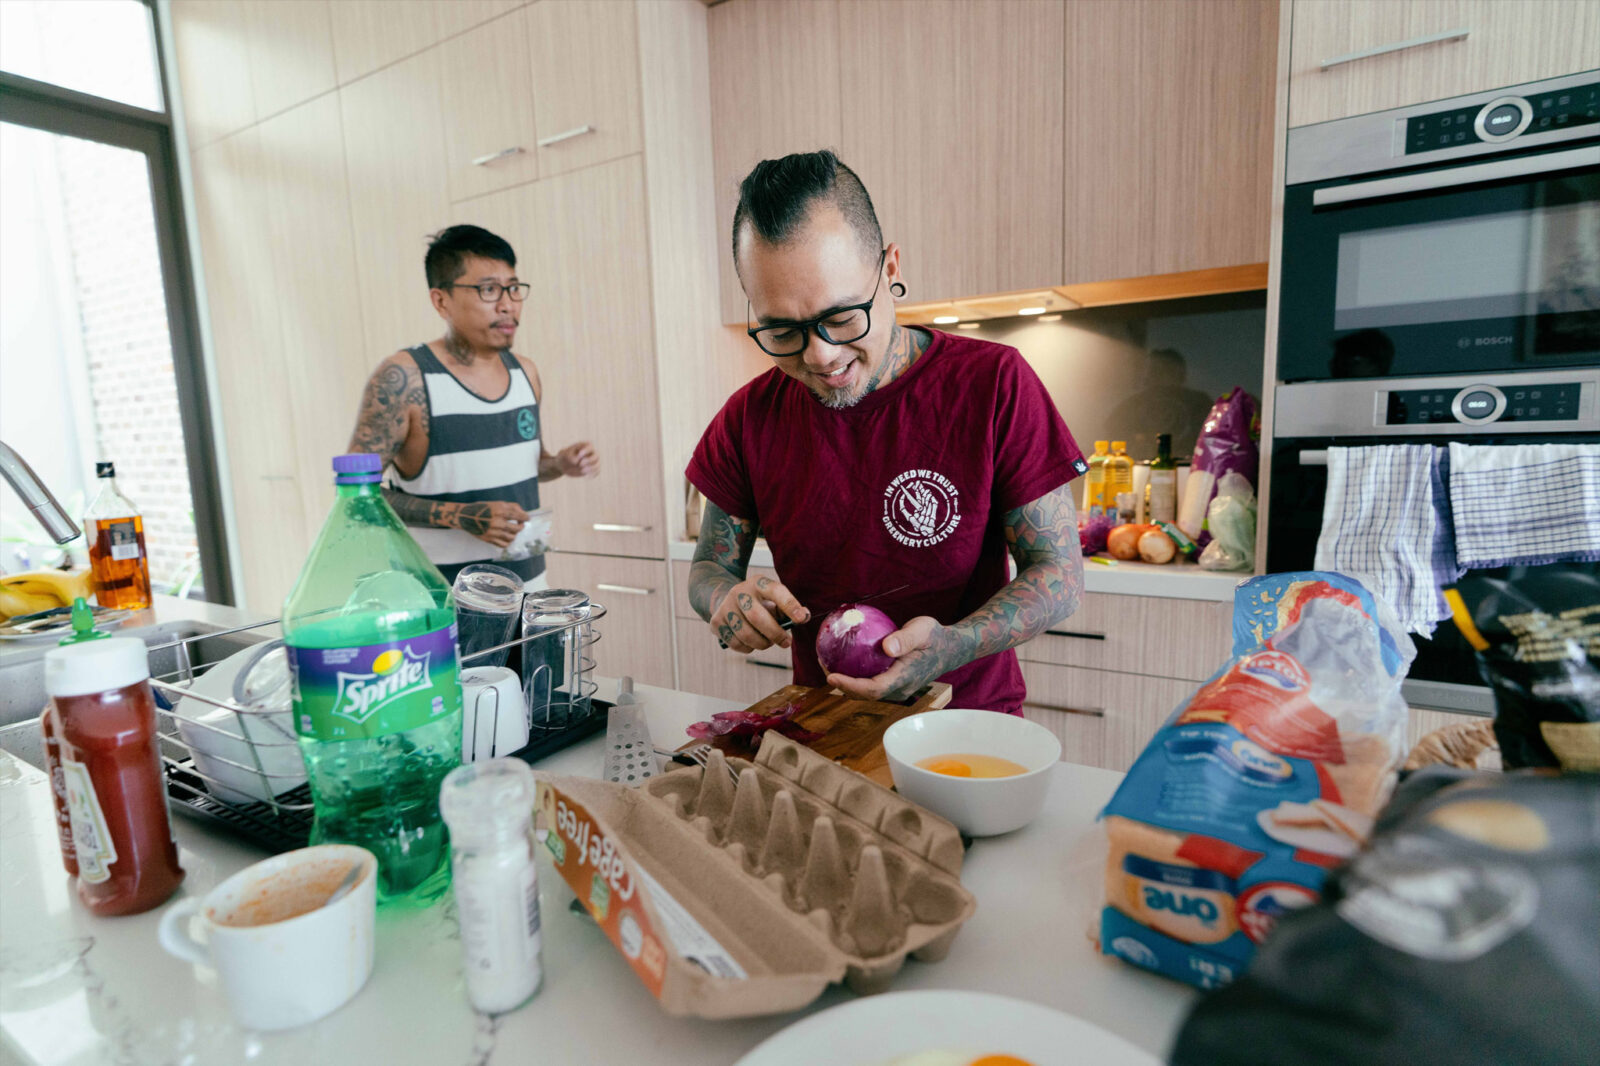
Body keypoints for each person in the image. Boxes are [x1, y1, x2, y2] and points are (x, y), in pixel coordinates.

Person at [686, 151, 1087, 712]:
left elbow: (1060, 574)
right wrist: (726, 601)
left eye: (842, 317)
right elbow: (708, 569)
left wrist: (952, 645)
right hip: (823, 724)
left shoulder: (995, 383)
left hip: (967, 724)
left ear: (891, 270)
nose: (821, 355)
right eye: (781, 331)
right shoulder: (748, 418)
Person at [347, 224, 597, 587]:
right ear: (441, 301)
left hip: (528, 595)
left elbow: (528, 464)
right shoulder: (404, 378)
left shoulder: (526, 373)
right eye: (488, 289)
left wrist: (559, 463)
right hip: (441, 603)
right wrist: (460, 515)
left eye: (513, 288)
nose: (508, 304)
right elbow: (356, 496)